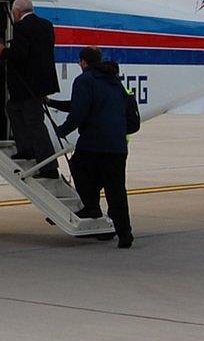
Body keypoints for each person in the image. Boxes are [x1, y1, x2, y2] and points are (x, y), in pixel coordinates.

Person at [50, 46, 139, 247]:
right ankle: (124, 233)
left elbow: (79, 110)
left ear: (83, 62)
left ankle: (91, 208)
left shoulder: (84, 80)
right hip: (117, 147)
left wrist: (62, 131)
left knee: (78, 167)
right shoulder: (114, 81)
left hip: (93, 144)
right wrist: (53, 103)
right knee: (116, 191)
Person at [0, 0, 59, 178]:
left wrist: (3, 51)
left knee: (35, 124)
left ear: (17, 12)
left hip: (26, 85)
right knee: (13, 109)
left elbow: (20, 55)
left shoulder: (22, 28)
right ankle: (26, 149)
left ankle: (49, 167)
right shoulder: (46, 25)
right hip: (40, 84)